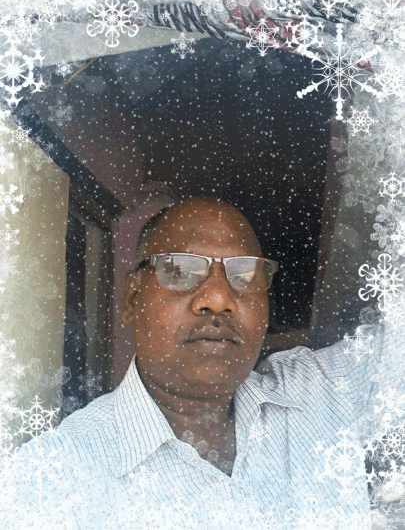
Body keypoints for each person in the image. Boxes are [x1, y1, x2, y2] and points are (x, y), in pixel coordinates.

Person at [1, 195, 404, 530]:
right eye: (179, 270)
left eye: (244, 274)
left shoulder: (322, 390)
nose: (218, 298)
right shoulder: (49, 483)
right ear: (132, 298)